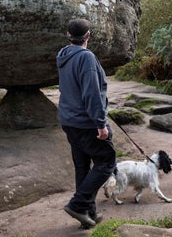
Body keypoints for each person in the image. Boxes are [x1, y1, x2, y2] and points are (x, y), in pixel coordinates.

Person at [56, 18, 116, 229]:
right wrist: (101, 124)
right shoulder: (87, 58)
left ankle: (88, 214)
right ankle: (78, 204)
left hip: (69, 120)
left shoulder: (62, 55)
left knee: (82, 165)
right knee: (107, 161)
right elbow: (91, 92)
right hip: (86, 122)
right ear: (88, 36)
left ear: (68, 34)